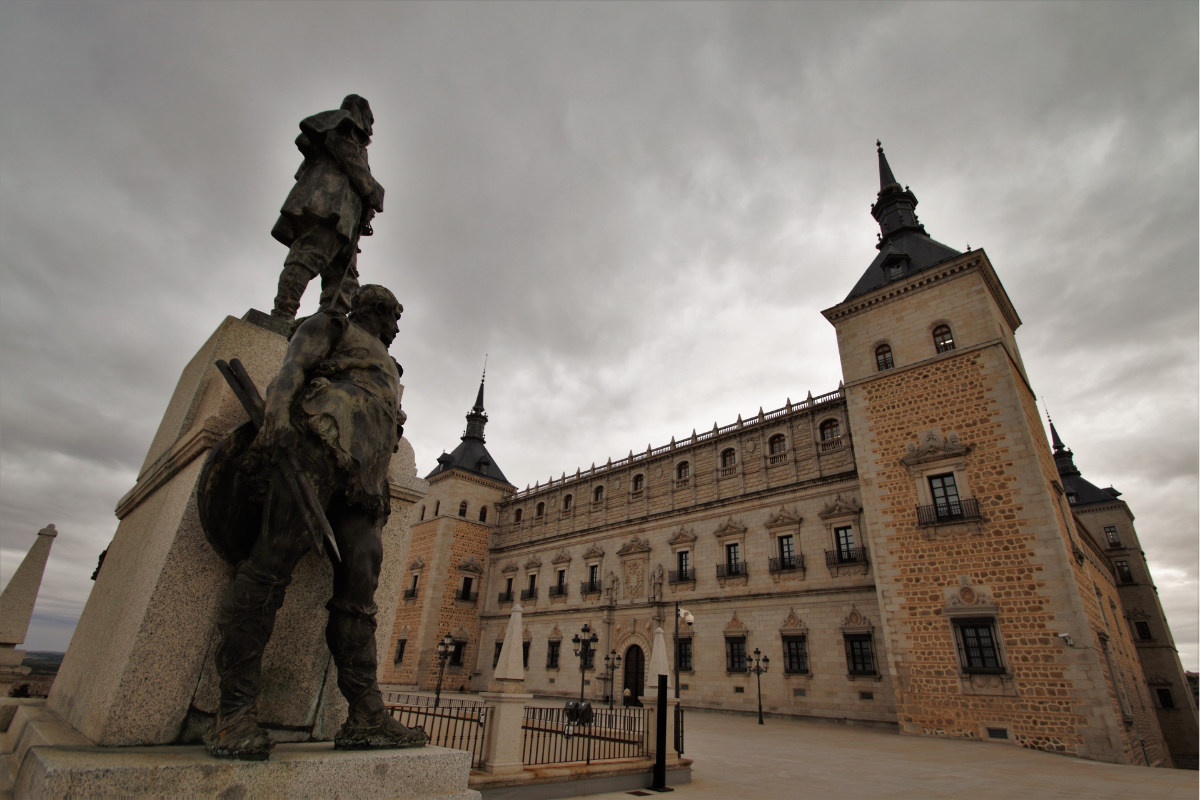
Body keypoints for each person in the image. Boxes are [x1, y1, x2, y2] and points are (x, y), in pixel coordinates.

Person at [205, 284, 424, 760]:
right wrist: (278, 416)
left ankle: (364, 714)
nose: (397, 327)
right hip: (321, 442)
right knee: (270, 566)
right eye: (393, 317)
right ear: (373, 310)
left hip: (365, 476)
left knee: (361, 587)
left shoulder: (388, 363)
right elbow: (292, 369)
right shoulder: (332, 326)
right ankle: (233, 713)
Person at [269, 94, 385, 320]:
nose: (370, 130)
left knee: (344, 278)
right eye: (369, 121)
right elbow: (349, 160)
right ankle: (282, 313)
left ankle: (327, 329)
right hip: (329, 206)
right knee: (310, 254)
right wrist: (373, 190)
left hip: (347, 218)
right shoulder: (341, 127)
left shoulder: (355, 141)